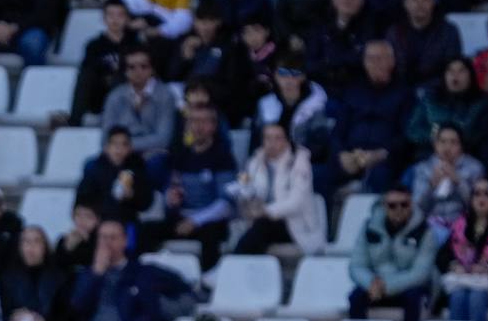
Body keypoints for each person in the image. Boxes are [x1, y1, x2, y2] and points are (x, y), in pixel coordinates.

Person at [40, 219, 169, 321]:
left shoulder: (141, 273)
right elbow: (77, 308)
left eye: (112, 238)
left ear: (125, 241)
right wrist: (96, 275)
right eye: (103, 238)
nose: (107, 243)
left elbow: (150, 315)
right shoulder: (86, 273)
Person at [347, 186, 437, 321]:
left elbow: (420, 273)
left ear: (411, 205)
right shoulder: (369, 228)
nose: (399, 209)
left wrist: (385, 286)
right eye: (392, 205)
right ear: (384, 206)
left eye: (404, 204)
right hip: (377, 286)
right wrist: (371, 283)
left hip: (408, 287)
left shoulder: (425, 231)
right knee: (355, 297)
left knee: (414, 297)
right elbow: (356, 265)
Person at [158, 105, 236, 270]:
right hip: (181, 218)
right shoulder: (179, 154)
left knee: (211, 234)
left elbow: (226, 204)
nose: (198, 127)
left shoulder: (223, 157)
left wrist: (195, 221)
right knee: (144, 231)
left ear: (214, 126)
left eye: (203, 121)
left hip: (209, 221)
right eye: (193, 121)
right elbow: (170, 188)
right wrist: (170, 198)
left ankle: (208, 282)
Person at [332, 41, 412, 193]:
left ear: (392, 61)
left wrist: (380, 154)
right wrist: (342, 155)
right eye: (371, 59)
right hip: (351, 156)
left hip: (384, 159)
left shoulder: (404, 94)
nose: (376, 63)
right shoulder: (353, 91)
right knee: (318, 174)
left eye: (381, 58)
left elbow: (406, 136)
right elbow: (338, 132)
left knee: (380, 175)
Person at [232, 122, 321, 256]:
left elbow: (296, 202)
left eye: (277, 138)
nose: (272, 143)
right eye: (268, 138)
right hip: (260, 222)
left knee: (262, 227)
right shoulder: (253, 162)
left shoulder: (300, 162)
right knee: (256, 228)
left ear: (286, 141)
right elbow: (244, 188)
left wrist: (265, 211)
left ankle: (233, 264)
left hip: (292, 225)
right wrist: (248, 204)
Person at [101, 48, 176, 182]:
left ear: (152, 69)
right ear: (125, 71)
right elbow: (106, 136)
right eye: (132, 67)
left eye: (143, 66)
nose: (138, 71)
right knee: (91, 166)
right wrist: (122, 150)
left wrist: (124, 146)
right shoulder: (115, 96)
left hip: (153, 154)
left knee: (155, 164)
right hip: (121, 154)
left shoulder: (165, 95)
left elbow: (163, 138)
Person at [438, 177, 488, 321]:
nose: (481, 198)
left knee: (477, 297)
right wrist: (454, 265)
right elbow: (441, 257)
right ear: (471, 199)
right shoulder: (460, 224)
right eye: (477, 193)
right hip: (462, 282)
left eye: (487, 194)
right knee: (458, 296)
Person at [70, 0, 140, 126]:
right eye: (111, 15)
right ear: (104, 18)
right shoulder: (93, 45)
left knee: (121, 79)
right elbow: (89, 70)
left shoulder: (135, 44)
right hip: (99, 94)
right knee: (85, 77)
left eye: (120, 15)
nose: (115, 20)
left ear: (127, 18)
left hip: (128, 94)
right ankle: (74, 124)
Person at [411, 123, 485, 243]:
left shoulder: (474, 168)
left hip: (464, 226)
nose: (447, 147)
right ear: (435, 144)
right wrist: (431, 186)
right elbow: (417, 207)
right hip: (429, 227)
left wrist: (458, 181)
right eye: (443, 142)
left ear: (461, 145)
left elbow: (478, 206)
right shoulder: (423, 168)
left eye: (453, 142)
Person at [385, 0, 462, 89]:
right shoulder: (393, 32)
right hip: (399, 91)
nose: (420, 4)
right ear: (405, 3)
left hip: (437, 91)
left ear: (433, 2)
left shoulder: (449, 31)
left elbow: (452, 67)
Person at [406, 58, 486, 161]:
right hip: (428, 157)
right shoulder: (430, 99)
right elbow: (412, 131)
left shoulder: (481, 103)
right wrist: (434, 136)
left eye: (461, 71)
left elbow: (481, 135)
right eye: (450, 71)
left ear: (470, 75)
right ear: (444, 75)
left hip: (467, 159)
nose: (455, 76)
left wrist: (454, 139)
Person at [77, 126, 154, 228]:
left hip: (127, 224)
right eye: (115, 144)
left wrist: (132, 196)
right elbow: (81, 202)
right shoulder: (94, 170)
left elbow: (147, 203)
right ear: (107, 147)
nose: (119, 149)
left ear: (130, 148)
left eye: (124, 144)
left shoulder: (138, 169)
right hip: (99, 225)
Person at [303, 0, 371, 93]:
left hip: (358, 91)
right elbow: (310, 64)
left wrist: (330, 61)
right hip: (321, 88)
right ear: (333, 0)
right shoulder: (319, 28)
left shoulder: (370, 29)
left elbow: (364, 63)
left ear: (362, 1)